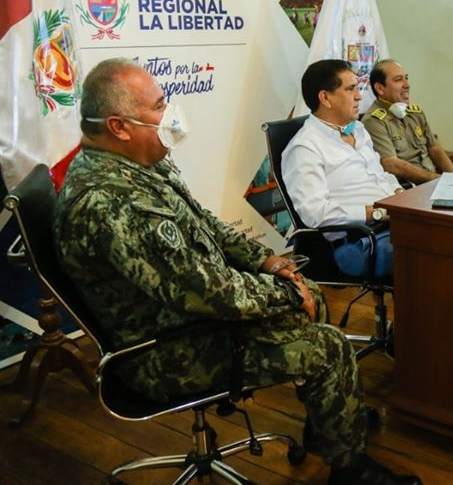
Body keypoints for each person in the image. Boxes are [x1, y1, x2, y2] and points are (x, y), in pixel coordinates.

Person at [54, 58, 419, 485]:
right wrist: (285, 291)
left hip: (191, 315)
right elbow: (207, 291)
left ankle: (332, 423)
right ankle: (349, 469)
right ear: (119, 126)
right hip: (162, 347)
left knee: (309, 301)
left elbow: (205, 223)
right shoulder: (112, 202)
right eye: (157, 106)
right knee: (327, 346)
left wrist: (271, 263)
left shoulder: (140, 162)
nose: (169, 113)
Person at [283, 60, 402, 277]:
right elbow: (315, 213)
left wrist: (400, 196)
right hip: (359, 242)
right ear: (325, 98)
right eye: (350, 89)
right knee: (438, 252)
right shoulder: (305, 148)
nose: (359, 96)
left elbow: (380, 176)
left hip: (393, 226)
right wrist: (377, 213)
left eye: (357, 88)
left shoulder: (358, 129)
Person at [362, 60, 453, 184]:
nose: (407, 85)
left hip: (433, 181)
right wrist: (439, 181)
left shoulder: (415, 112)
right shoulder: (373, 121)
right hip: (410, 188)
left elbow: (435, 148)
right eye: (398, 80)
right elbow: (391, 164)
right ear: (380, 88)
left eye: (406, 78)